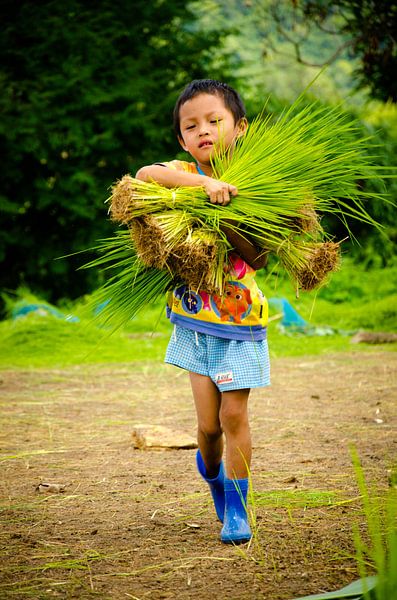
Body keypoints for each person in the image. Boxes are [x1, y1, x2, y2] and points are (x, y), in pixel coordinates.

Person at [136, 79, 270, 544]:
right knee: (208, 428)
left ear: (240, 128)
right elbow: (144, 175)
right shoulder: (180, 174)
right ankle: (213, 478)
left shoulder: (260, 187)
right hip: (194, 323)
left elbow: (262, 258)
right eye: (191, 126)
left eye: (215, 121)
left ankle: (237, 508)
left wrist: (228, 219)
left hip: (241, 323)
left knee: (234, 417)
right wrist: (204, 183)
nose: (204, 130)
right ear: (181, 139)